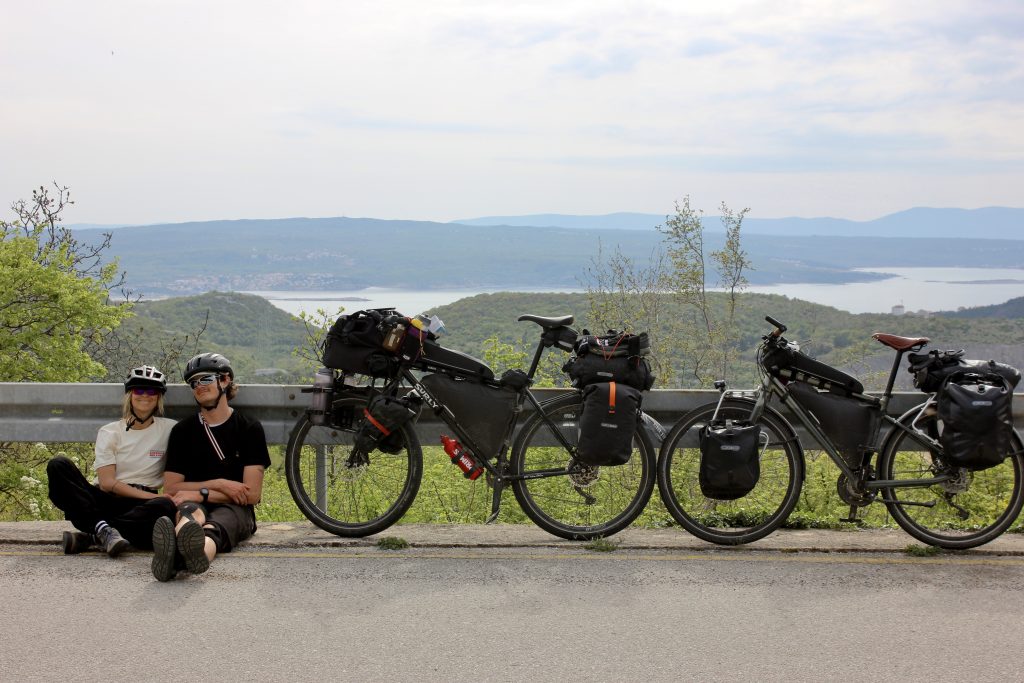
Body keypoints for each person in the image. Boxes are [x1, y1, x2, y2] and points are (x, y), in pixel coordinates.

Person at [151, 352, 271, 582]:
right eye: (194, 383)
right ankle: (177, 553)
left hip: (236, 508)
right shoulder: (182, 432)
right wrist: (220, 485)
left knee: (215, 529)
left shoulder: (249, 428)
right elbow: (173, 487)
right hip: (197, 501)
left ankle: (189, 557)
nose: (199, 386)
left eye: (205, 379)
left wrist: (197, 491)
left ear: (224, 380)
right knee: (188, 514)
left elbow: (251, 494)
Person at [47, 365, 178, 556]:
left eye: (151, 390)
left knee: (165, 507)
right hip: (108, 501)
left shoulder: (170, 429)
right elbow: (107, 483)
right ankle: (103, 530)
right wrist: (154, 496)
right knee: (58, 465)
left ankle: (95, 535)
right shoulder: (110, 431)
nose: (145, 395)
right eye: (139, 390)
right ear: (129, 395)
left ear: (158, 397)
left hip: (142, 508)